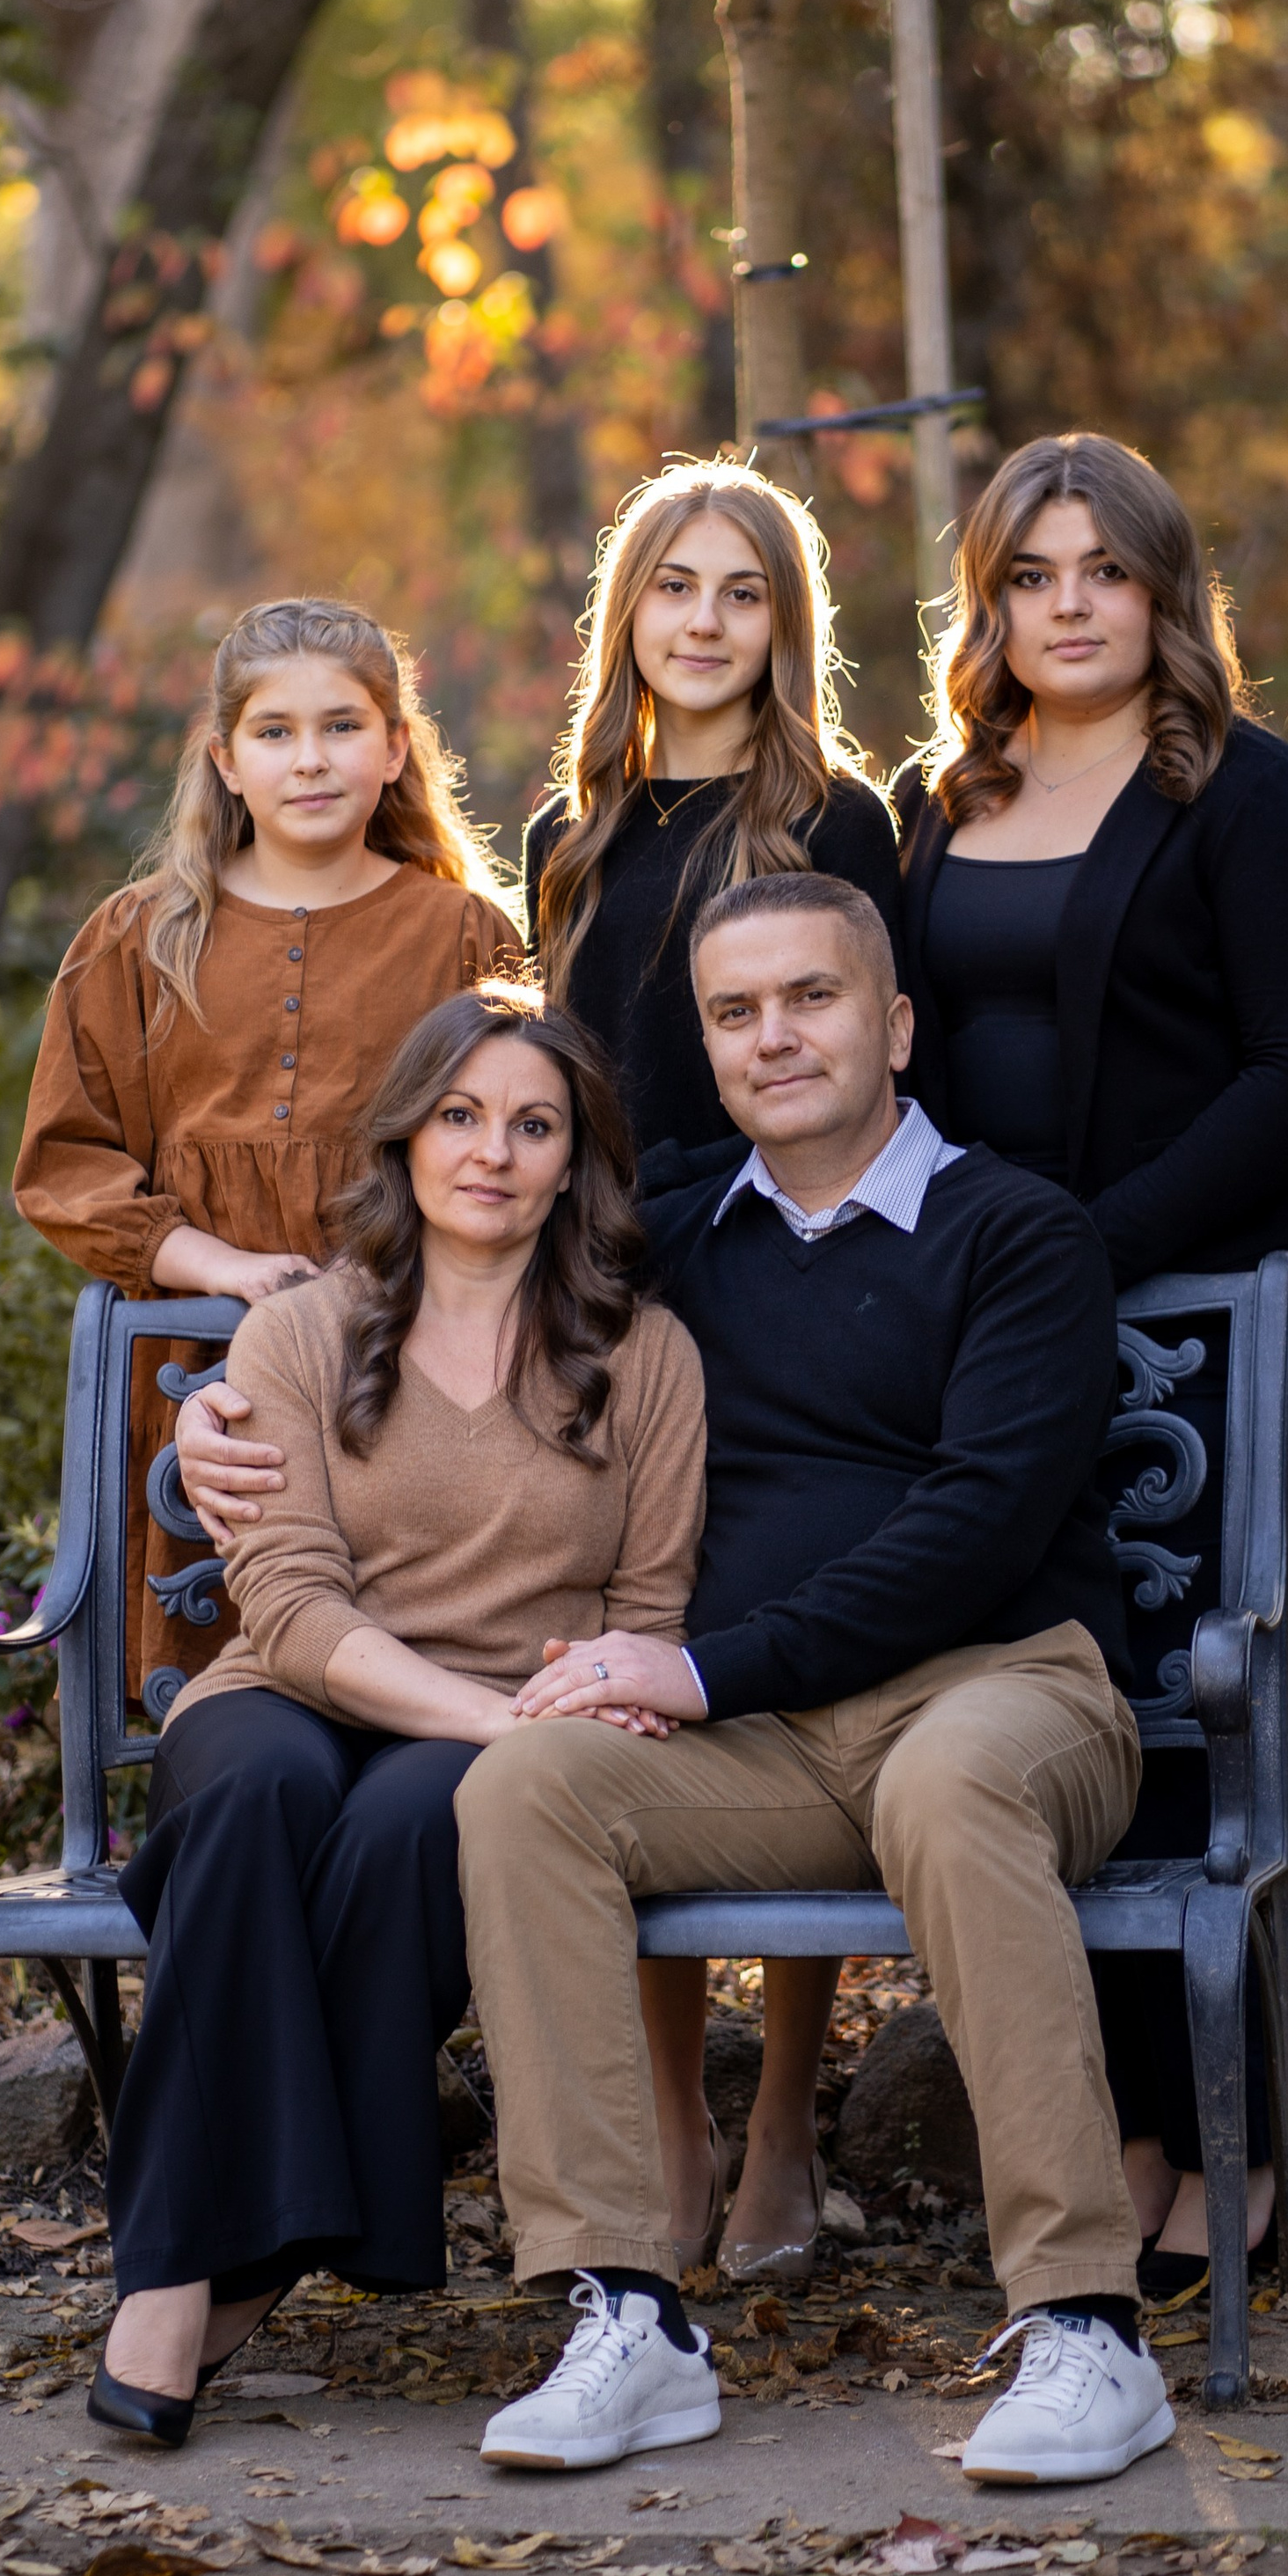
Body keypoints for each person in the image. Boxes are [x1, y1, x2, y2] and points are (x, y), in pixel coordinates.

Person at [182, 875, 1173, 2486]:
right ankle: (628, 2311)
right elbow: (438, 1303)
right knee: (528, 1787)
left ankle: (1083, 2324)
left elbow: (978, 1531)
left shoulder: (1017, 1233)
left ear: (896, 1023)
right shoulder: (679, 1244)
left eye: (813, 998)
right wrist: (220, 1416)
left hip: (1002, 1690)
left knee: (947, 1774)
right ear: (705, 1051)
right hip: (766, 1742)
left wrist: (701, 1664)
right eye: (734, 1013)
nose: (774, 1037)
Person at [889, 432, 1288, 2300]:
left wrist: (1093, 1238)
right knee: (1046, 1696)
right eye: (1029, 572)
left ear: (1161, 591)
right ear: (985, 601)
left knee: (1189, 1698)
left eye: (1102, 568)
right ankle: (1126, 2137)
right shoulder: (947, 799)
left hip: (1230, 1312)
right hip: (1014, 1330)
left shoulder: (1251, 799)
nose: (1067, 603)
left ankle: (1230, 2151)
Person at [90, 985, 706, 2450]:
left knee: (406, 1826)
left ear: (575, 1161)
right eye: (461, 1114)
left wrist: (519, 1724)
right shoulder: (302, 1329)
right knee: (251, 1801)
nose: (492, 1150)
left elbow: (651, 1611)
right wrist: (494, 1718)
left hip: (502, 1726)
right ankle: (189, 2265)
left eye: (534, 1124)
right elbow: (290, 1616)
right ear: (409, 1136)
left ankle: (241, 2250)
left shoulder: (646, 1356)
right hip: (295, 1691)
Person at [527, 457, 902, 2287]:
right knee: (636, 1672)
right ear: (626, 616)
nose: (700, 620)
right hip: (609, 1305)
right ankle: (669, 2124)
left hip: (771, 1283)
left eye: (738, 590)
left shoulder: (833, 818)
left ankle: (779, 2124)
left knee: (764, 1665)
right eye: (670, 586)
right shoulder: (574, 834)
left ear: (782, 623)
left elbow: (851, 1079)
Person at [12, 593, 520, 1698]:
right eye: (274, 732)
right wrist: (226, 1267)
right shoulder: (141, 937)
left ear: (395, 748)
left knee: (403, 1685)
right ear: (226, 760)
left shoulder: (465, 937)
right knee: (215, 1701)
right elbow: (65, 1164)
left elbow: (512, 1149)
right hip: (202, 1380)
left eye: (342, 726)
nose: (310, 759)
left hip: (400, 1366)